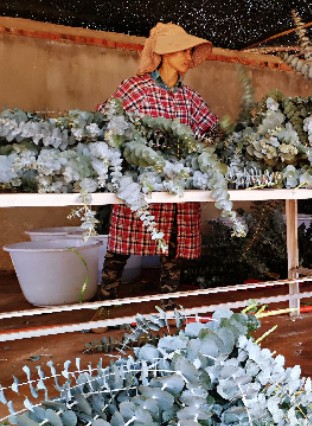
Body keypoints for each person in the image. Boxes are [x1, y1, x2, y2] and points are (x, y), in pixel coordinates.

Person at [93, 23, 218, 323]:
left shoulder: (190, 98)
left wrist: (205, 145)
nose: (188, 56)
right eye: (183, 50)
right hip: (140, 181)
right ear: (164, 52)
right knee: (121, 244)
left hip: (176, 182)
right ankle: (104, 304)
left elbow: (212, 128)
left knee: (173, 242)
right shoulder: (136, 88)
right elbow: (104, 118)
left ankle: (168, 304)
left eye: (190, 51)